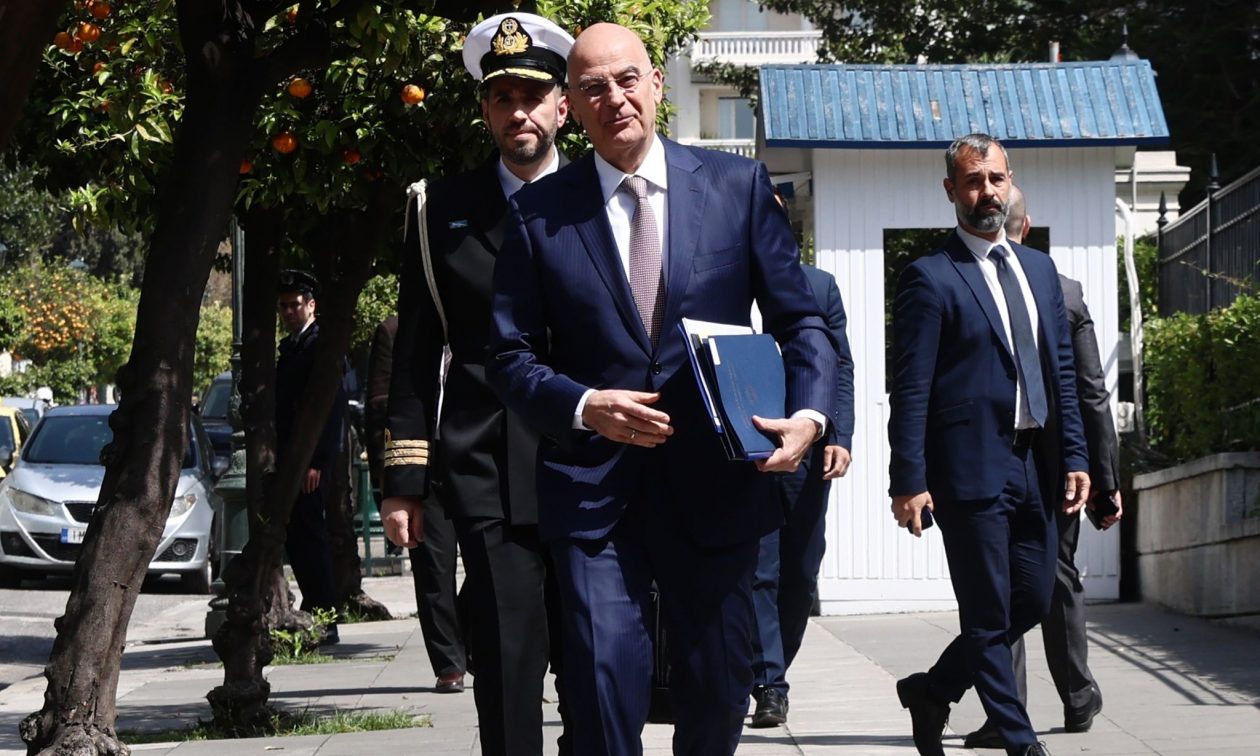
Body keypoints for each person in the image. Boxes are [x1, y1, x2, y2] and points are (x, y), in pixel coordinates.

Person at [486, 22, 838, 756]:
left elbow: (801, 319)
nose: (614, 99)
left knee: (718, 690)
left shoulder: (737, 187)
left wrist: (810, 414)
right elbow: (509, 356)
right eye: (592, 88)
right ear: (570, 107)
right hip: (594, 490)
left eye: (626, 80)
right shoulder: (538, 213)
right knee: (601, 680)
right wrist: (584, 405)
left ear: (654, 85)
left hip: (715, 481)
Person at [379, 12, 575, 755]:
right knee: (505, 651)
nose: (519, 112)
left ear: (562, 106)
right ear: (486, 111)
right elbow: (417, 347)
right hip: (486, 463)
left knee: (594, 656)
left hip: (587, 457)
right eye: (503, 98)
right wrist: (403, 481)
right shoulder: (440, 209)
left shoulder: (597, 196)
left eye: (533, 96)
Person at [887, 133, 1091, 756]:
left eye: (996, 179)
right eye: (973, 182)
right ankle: (1021, 743)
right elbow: (911, 389)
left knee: (1031, 598)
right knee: (985, 613)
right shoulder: (930, 277)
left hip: (1034, 464)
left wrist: (1075, 455)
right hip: (968, 470)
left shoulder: (1039, 270)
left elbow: (1061, 372)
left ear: (1010, 181)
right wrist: (908, 480)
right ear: (952, 190)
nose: (987, 192)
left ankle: (932, 690)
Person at [962, 185, 1123, 749]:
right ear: (1026, 228)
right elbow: (1093, 391)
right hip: (1054, 463)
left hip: (1030, 463)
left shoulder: (1041, 288)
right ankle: (1059, 700)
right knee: (1050, 574)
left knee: (1015, 582)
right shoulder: (1065, 288)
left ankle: (1018, 710)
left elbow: (1086, 391)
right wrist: (1107, 478)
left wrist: (1098, 476)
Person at [749, 262, 854, 729]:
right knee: (759, 570)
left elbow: (840, 364)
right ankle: (769, 683)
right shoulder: (717, 276)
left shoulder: (818, 285)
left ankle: (775, 668)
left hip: (807, 449)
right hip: (743, 450)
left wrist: (839, 435)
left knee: (801, 571)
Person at [366, 315, 467, 692]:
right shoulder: (395, 332)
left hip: (476, 456)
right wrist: (390, 481)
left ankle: (471, 636)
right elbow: (379, 408)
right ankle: (449, 663)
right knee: (433, 566)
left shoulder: (481, 319)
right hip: (423, 463)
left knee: (495, 561)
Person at [275, 269, 344, 644]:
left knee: (311, 536)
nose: (289, 312)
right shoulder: (292, 345)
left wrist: (317, 461)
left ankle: (325, 615)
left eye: (295, 305)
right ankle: (317, 605)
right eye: (284, 306)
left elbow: (328, 410)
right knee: (299, 537)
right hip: (293, 457)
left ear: (311, 305)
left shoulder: (318, 345)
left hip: (310, 461)